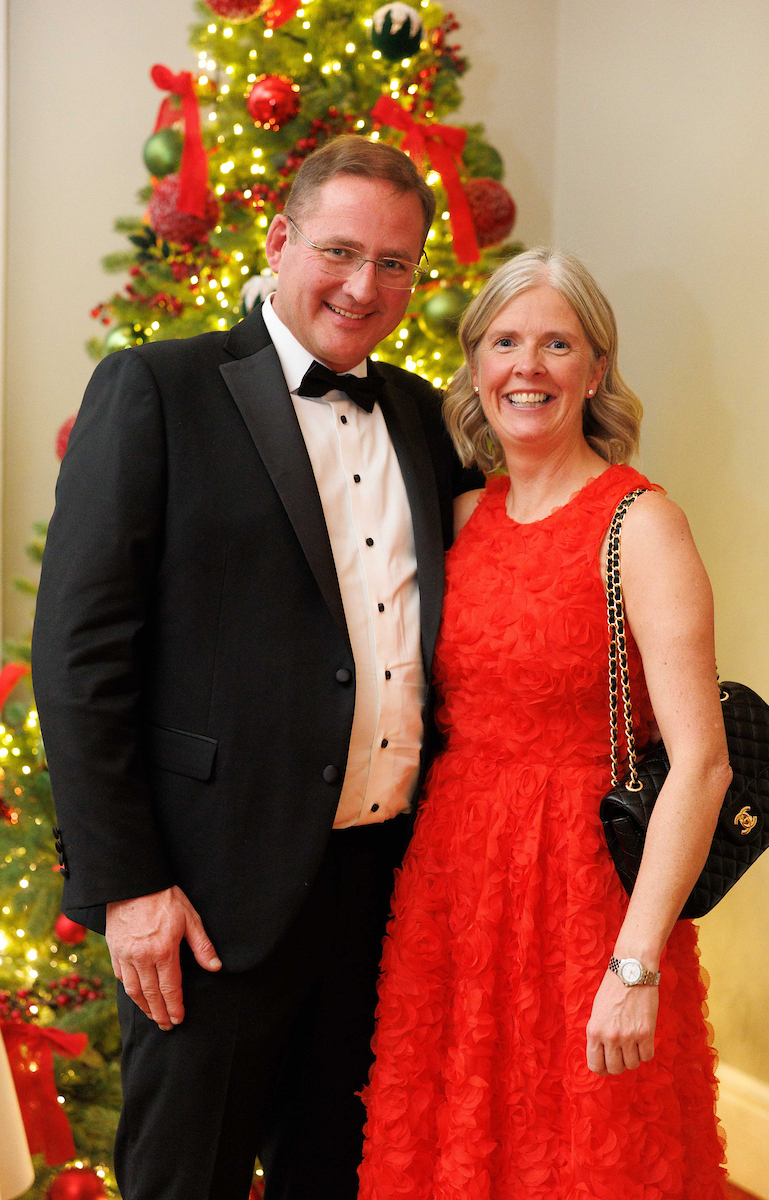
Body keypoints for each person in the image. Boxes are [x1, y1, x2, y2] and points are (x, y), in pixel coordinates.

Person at [30, 135, 482, 1200]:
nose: (363, 288)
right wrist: (129, 886)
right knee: (186, 1178)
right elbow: (80, 655)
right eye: (339, 252)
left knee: (344, 1173)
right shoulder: (157, 388)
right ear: (280, 241)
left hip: (385, 894)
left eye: (394, 265)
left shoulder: (426, 418)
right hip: (207, 896)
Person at [358, 248, 733, 1198]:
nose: (528, 366)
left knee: (585, 1153)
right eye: (505, 342)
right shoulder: (460, 518)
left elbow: (702, 765)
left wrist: (635, 966)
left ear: (596, 369)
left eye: (557, 344)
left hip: (587, 898)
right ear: (476, 364)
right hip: (456, 890)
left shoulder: (640, 524)